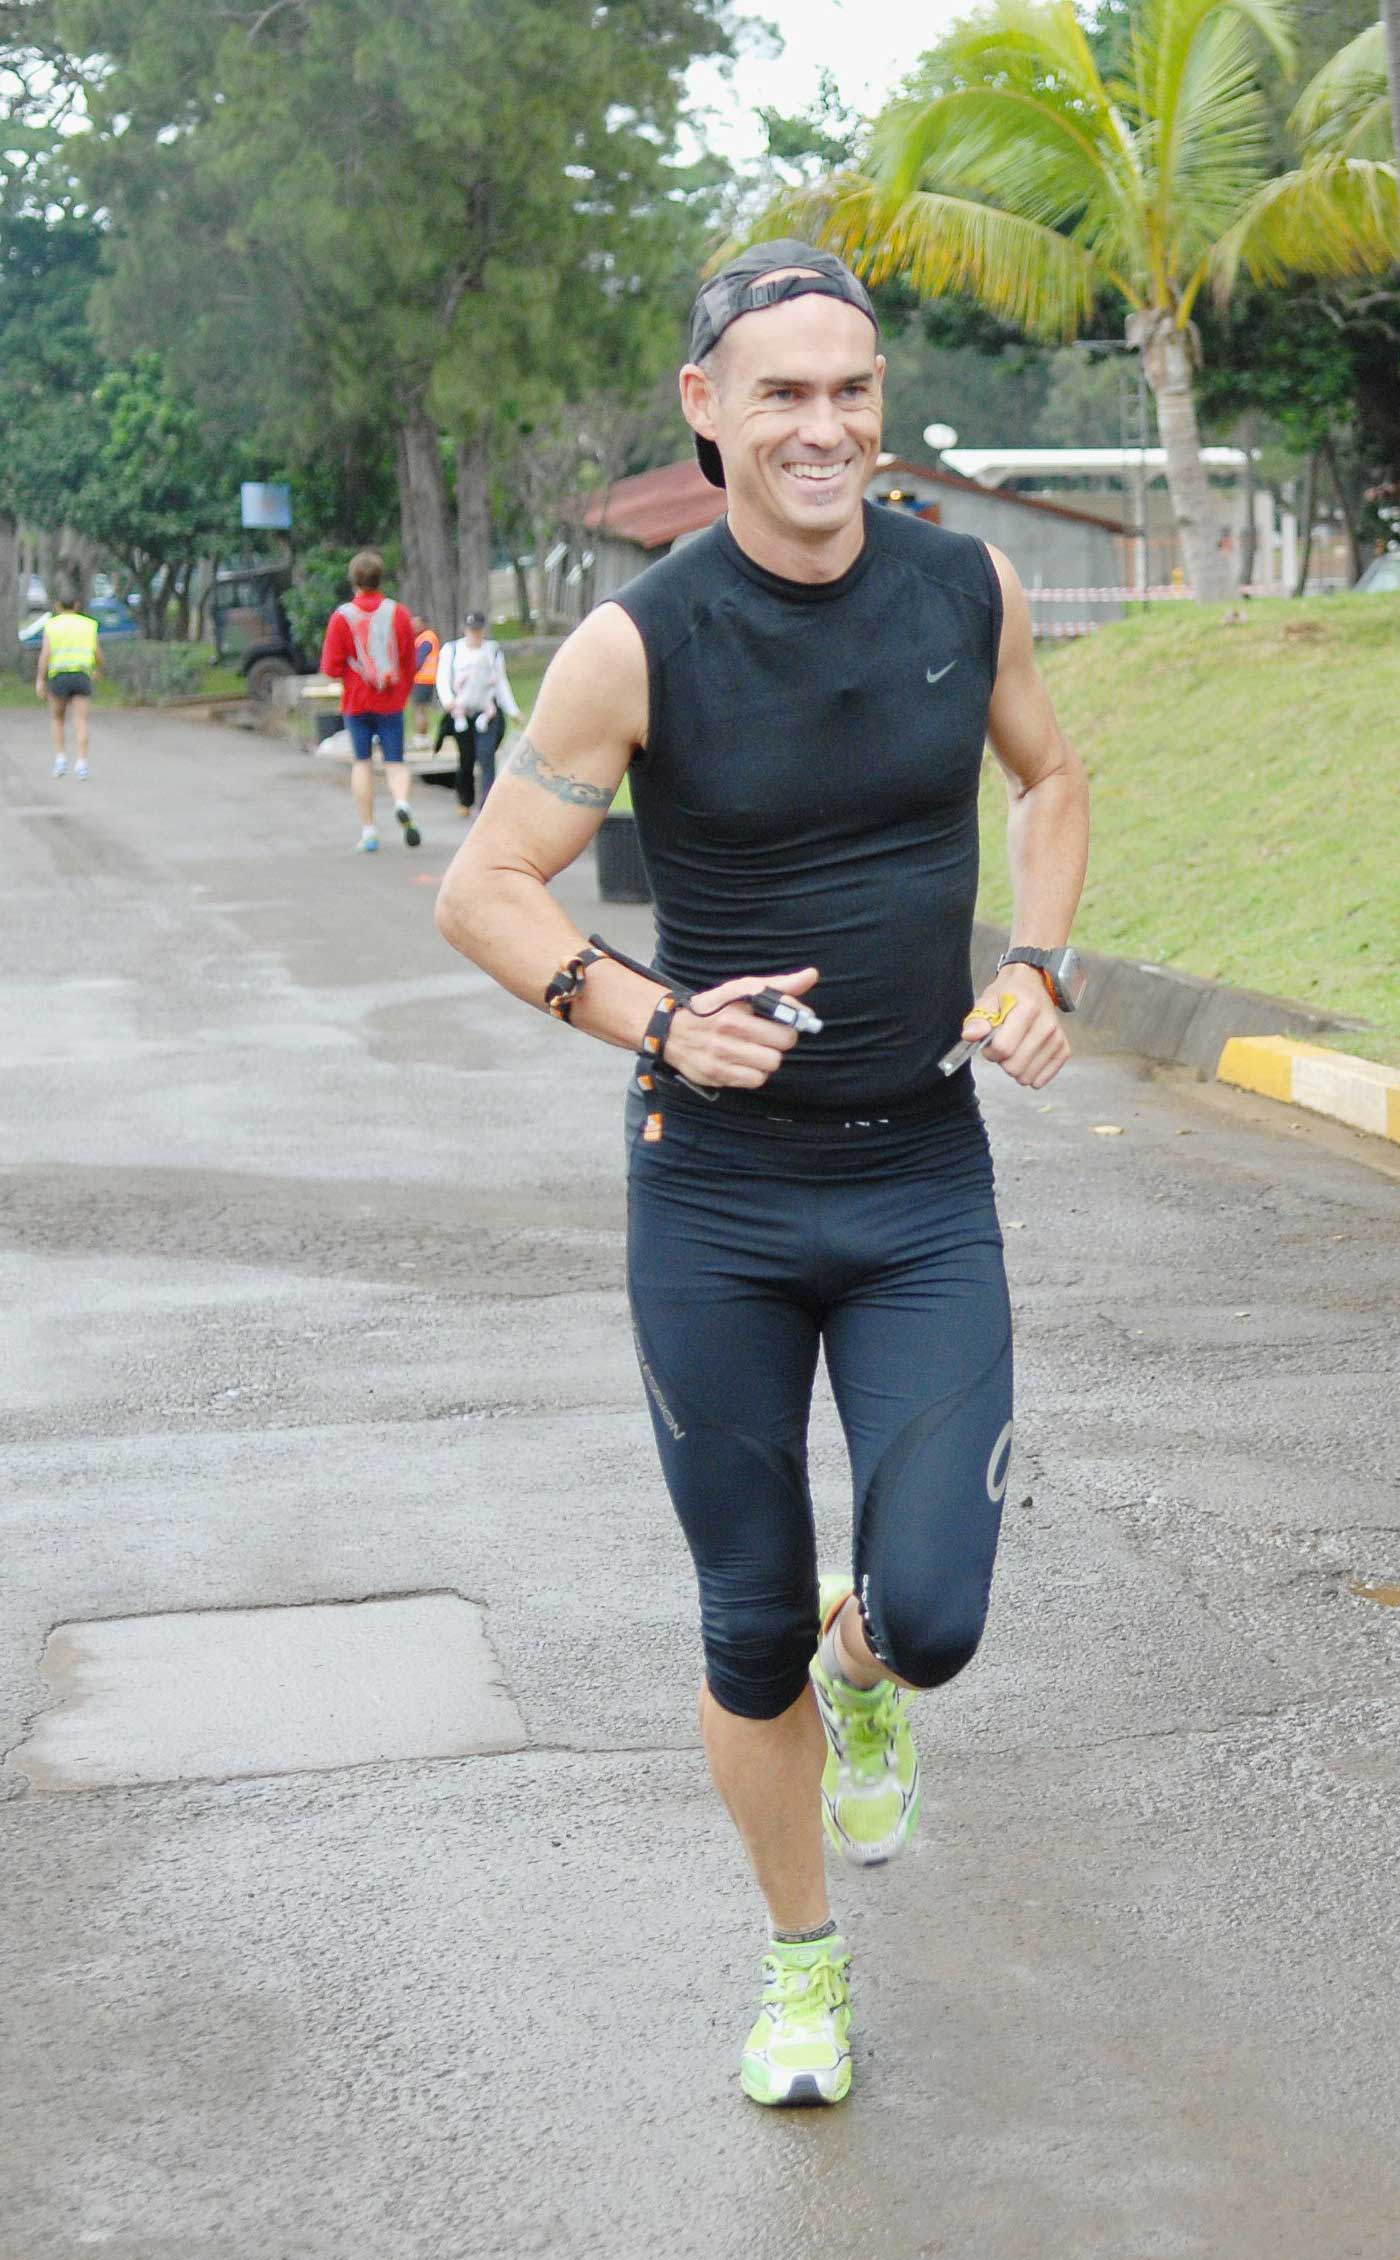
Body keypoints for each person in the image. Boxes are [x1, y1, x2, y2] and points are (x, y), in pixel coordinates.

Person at [435, 241, 1089, 2107]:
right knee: (743, 1616)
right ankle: (803, 1970)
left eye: (851, 388)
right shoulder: (637, 643)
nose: (823, 426)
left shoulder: (965, 585)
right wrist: (650, 1018)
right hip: (714, 1200)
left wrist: (1040, 966)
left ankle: (862, 1674)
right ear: (706, 408)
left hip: (920, 1182)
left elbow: (1049, 781)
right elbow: (484, 888)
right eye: (782, 392)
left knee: (936, 1611)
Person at [319, 550, 421, 853]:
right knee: (395, 763)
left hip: (356, 702)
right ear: (380, 579)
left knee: (362, 763)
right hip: (391, 700)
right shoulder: (399, 613)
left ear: (353, 580)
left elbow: (331, 667)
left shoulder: (342, 617)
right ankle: (401, 803)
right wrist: (401, 692)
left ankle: (369, 831)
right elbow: (409, 660)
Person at [433, 611, 521, 813]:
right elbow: (442, 678)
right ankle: (465, 799)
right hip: (462, 711)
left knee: (486, 754)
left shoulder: (493, 651)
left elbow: (501, 682)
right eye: (472, 630)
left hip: (487, 710)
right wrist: (448, 701)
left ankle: (488, 803)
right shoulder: (452, 650)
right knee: (467, 757)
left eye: (478, 630)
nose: (475, 634)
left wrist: (512, 710)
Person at [36, 590, 100, 779]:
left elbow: (46, 654)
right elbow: (98, 653)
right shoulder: (89, 625)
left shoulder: (52, 625)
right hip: (81, 674)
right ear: (77, 605)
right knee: (81, 720)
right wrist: (98, 669)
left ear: (57, 606)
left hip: (59, 675)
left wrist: (40, 679)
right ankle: (82, 763)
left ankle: (61, 760)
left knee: (57, 718)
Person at [410, 616, 440, 748]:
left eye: (416, 624)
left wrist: (409, 671)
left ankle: (420, 738)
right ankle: (423, 737)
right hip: (426, 679)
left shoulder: (427, 638)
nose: (413, 626)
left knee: (419, 710)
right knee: (422, 709)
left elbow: (419, 660)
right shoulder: (423, 638)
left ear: (423, 624)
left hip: (422, 679)